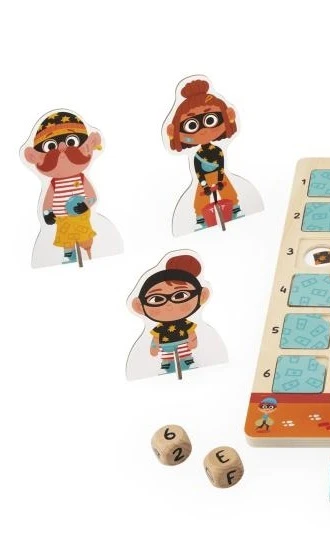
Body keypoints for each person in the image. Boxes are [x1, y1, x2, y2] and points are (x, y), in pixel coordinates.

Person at [22, 112, 103, 264]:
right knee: (66, 239)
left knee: (85, 237)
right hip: (62, 218)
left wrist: (85, 205)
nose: (61, 148)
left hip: (80, 216)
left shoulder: (81, 178)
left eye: (71, 142)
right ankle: (69, 257)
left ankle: (88, 253)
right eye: (51, 146)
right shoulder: (53, 184)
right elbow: (48, 200)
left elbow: (92, 197)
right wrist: (47, 213)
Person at [165, 79, 244, 230]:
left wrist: (219, 180)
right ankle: (201, 218)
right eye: (191, 125)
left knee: (227, 190)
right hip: (204, 179)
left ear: (227, 116)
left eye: (210, 120)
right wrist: (204, 184)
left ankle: (235, 208)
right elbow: (199, 172)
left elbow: (221, 166)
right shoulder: (198, 155)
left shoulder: (218, 151)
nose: (203, 131)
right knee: (201, 197)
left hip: (219, 175)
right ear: (175, 131)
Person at [130, 254, 210, 374]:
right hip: (166, 345)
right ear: (139, 306)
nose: (169, 304)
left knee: (186, 358)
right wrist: (154, 347)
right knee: (167, 361)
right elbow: (156, 338)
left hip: (183, 343)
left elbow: (191, 333)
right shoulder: (160, 328)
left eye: (180, 295)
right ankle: (168, 368)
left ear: (202, 296)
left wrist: (193, 340)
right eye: (157, 299)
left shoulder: (185, 324)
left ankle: (187, 363)